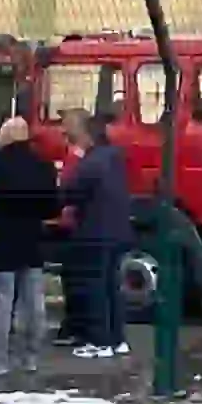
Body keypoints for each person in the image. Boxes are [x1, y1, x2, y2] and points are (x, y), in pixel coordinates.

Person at [0, 115, 63, 375]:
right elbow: (53, 207)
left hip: (3, 241)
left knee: (3, 301)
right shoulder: (44, 166)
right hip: (33, 240)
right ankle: (31, 357)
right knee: (33, 301)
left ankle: (0, 358)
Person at [63, 107, 138, 358]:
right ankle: (117, 339)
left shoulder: (91, 162)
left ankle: (99, 341)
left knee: (96, 287)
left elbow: (70, 193)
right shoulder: (114, 157)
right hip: (118, 232)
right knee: (112, 288)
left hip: (95, 233)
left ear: (89, 137)